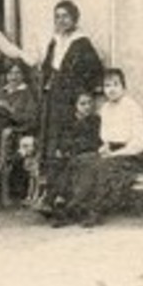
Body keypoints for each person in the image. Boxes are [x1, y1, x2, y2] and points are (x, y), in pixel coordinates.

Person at [64, 68, 143, 227]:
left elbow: (140, 143)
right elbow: (106, 136)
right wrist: (105, 147)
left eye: (116, 84)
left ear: (124, 87)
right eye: (107, 85)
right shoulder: (105, 109)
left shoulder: (132, 107)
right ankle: (74, 207)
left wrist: (117, 153)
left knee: (102, 167)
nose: (111, 89)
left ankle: (95, 211)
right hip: (111, 152)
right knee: (82, 161)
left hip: (131, 156)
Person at [36, 0, 103, 179]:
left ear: (74, 18)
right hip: (53, 99)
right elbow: (47, 67)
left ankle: (65, 189)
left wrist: (80, 92)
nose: (61, 20)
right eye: (57, 17)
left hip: (70, 99)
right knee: (51, 141)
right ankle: (50, 187)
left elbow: (95, 70)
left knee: (66, 140)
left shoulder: (82, 43)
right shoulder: (55, 41)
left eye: (65, 16)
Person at [0, 60, 40, 201]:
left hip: (16, 131)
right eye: (10, 73)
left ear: (23, 75)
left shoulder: (26, 93)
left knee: (4, 137)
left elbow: (31, 120)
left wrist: (10, 110)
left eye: (17, 73)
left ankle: (2, 177)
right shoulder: (2, 91)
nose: (14, 77)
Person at [43, 90, 101, 225]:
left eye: (90, 103)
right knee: (58, 164)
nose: (87, 107)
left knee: (75, 166)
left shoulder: (95, 121)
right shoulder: (69, 122)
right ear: (75, 106)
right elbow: (63, 141)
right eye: (83, 104)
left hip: (87, 155)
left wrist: (72, 147)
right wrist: (63, 149)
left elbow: (94, 142)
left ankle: (58, 203)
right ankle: (59, 204)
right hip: (72, 156)